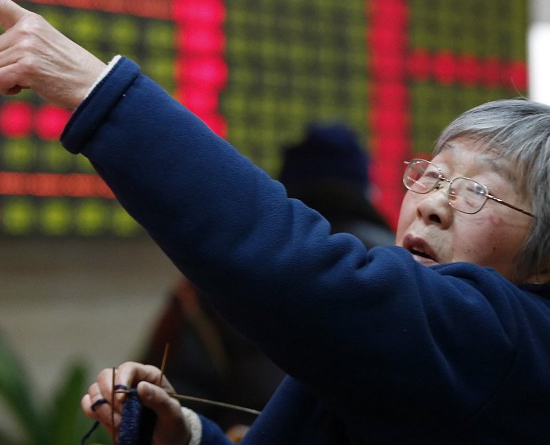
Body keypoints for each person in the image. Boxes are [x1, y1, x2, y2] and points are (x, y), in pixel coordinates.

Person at [0, 0, 550, 444]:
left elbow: (293, 268)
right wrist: (184, 435)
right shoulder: (432, 348)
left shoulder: (507, 338)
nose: (434, 206)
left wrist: (96, 91)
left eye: (478, 190)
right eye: (432, 176)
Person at [140, 124, 394, 433]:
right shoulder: (405, 270)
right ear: (366, 190)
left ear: (283, 185)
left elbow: (175, 397)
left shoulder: (220, 267)